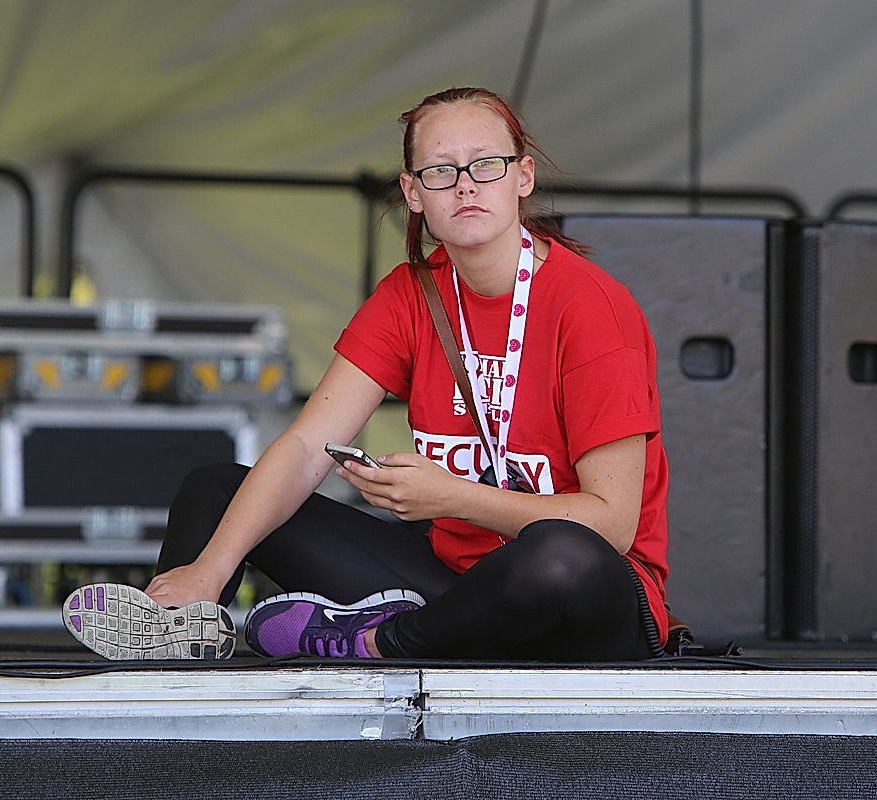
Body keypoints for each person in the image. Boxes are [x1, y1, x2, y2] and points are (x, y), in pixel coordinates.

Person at [62, 86, 670, 662]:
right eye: (440, 171)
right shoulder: (411, 295)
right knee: (217, 490)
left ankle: (377, 644)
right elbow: (306, 448)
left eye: (486, 165)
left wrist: (453, 498)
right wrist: (209, 571)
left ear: (523, 177)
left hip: (583, 604)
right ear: (413, 192)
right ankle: (179, 633)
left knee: (559, 553)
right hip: (455, 591)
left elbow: (612, 525)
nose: (465, 185)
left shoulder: (590, 308)